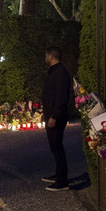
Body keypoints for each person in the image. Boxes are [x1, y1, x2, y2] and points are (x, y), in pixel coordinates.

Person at [41, 46, 71, 191]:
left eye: (46, 56)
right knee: (55, 146)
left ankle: (62, 180)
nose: (45, 58)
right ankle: (59, 174)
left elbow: (61, 97)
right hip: (52, 115)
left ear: (51, 56)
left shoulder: (60, 73)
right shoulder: (56, 72)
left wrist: (54, 116)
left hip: (56, 117)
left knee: (57, 147)